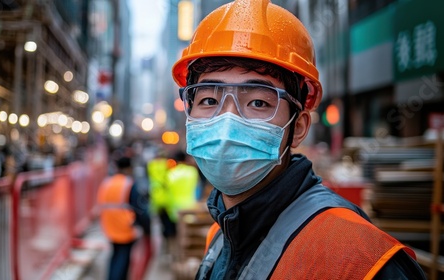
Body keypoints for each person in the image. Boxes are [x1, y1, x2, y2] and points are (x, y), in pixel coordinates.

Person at [171, 0, 426, 279]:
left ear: (299, 126)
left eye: (258, 103)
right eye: (209, 99)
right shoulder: (220, 238)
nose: (228, 121)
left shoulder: (363, 260)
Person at [97, 155, 152, 280]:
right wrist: (146, 227)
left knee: (115, 255)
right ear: (128, 168)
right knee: (123, 258)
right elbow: (139, 208)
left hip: (109, 226)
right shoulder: (128, 184)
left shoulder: (107, 182)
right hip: (125, 227)